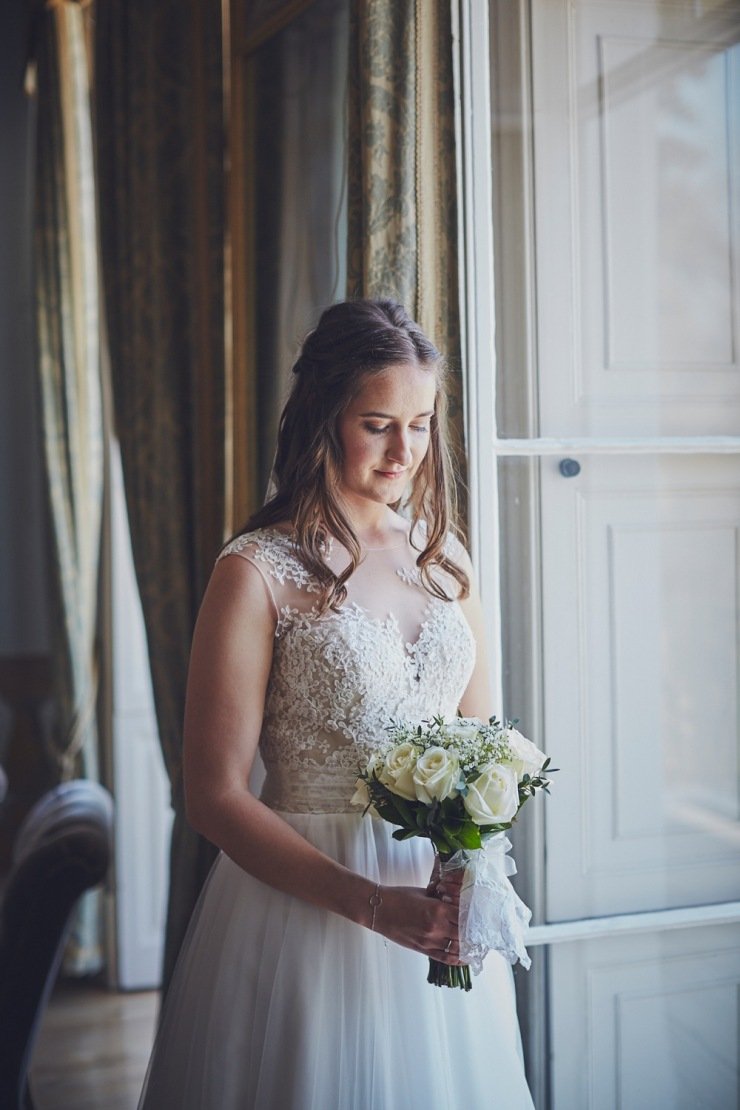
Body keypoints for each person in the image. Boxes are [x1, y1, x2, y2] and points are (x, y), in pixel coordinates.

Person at [138, 300, 534, 1109]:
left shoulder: (443, 556)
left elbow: (483, 747)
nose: (405, 452)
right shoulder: (255, 570)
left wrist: (465, 871)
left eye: (421, 424)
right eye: (379, 423)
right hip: (303, 913)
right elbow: (212, 798)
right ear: (324, 417)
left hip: (433, 907)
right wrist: (371, 904)